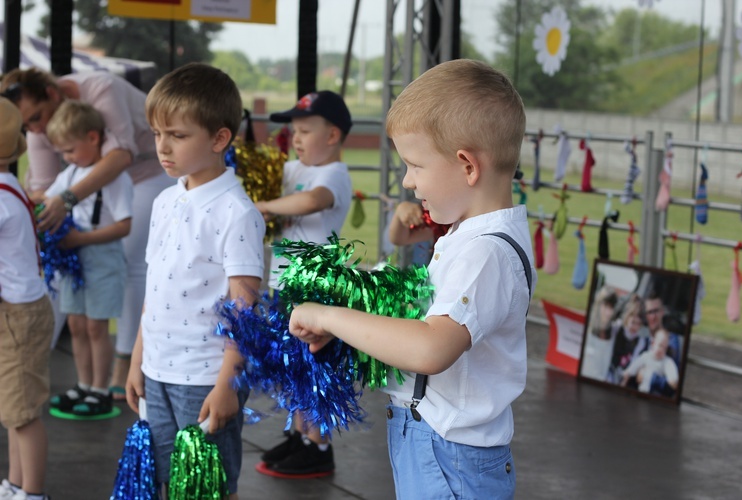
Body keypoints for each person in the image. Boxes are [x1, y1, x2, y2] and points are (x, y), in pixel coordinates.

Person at [288, 59, 536, 499]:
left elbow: (429, 347)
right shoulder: (469, 233)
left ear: (467, 166)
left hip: (451, 457)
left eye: (415, 165)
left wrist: (331, 317)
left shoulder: (486, 252)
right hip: (437, 446)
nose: (407, 180)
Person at [125, 63, 264, 499]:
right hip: (157, 369)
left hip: (204, 376)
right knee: (167, 480)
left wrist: (226, 384)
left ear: (219, 138)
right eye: (156, 134)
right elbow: (155, 287)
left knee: (207, 486)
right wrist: (137, 359)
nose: (162, 147)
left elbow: (244, 309)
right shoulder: (166, 200)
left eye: (177, 136)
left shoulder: (236, 212)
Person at [0, 68, 173, 398]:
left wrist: (66, 199)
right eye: (27, 125)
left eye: (36, 117)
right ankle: (39, 359)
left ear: (52, 94)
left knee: (134, 258)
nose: (35, 129)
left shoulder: (100, 88)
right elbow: (44, 187)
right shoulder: (42, 128)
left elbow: (120, 155)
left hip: (149, 169)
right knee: (71, 297)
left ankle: (125, 362)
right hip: (94, 184)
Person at [253, 90, 353, 476]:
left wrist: (266, 207)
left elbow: (313, 201)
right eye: (293, 130)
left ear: (332, 135)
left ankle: (319, 444)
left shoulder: (334, 174)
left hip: (315, 285)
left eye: (305, 130)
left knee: (315, 367)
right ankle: (300, 435)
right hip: (285, 282)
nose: (295, 137)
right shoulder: (294, 168)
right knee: (291, 365)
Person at [44, 100, 133, 416]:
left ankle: (100, 389)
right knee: (77, 324)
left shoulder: (114, 177)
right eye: (62, 153)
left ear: (93, 138)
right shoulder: (71, 174)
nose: (66, 158)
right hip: (74, 259)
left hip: (102, 258)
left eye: (70, 150)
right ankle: (83, 385)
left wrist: (80, 238)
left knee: (97, 327)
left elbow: (125, 225)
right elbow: (48, 198)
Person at [0, 97, 54, 500]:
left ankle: (31, 492)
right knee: (13, 409)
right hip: (19, 311)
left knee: (22, 412)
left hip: (19, 316)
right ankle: (16, 485)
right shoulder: (8, 184)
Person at [631, 290, 682, 396]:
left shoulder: (671, 340)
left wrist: (648, 376)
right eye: (649, 312)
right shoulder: (641, 337)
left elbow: (671, 385)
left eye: (656, 311)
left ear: (662, 312)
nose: (653, 317)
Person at [606, 294, 648, 385]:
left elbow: (633, 364)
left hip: (622, 377)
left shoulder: (640, 342)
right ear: (627, 317)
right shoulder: (616, 328)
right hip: (608, 371)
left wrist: (626, 377)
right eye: (633, 322)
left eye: (638, 324)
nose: (635, 327)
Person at [621, 328, 679, 394]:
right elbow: (634, 366)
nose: (662, 350)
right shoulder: (646, 356)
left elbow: (673, 378)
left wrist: (673, 379)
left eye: (665, 348)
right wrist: (627, 374)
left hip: (656, 392)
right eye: (660, 345)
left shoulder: (666, 361)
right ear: (653, 343)